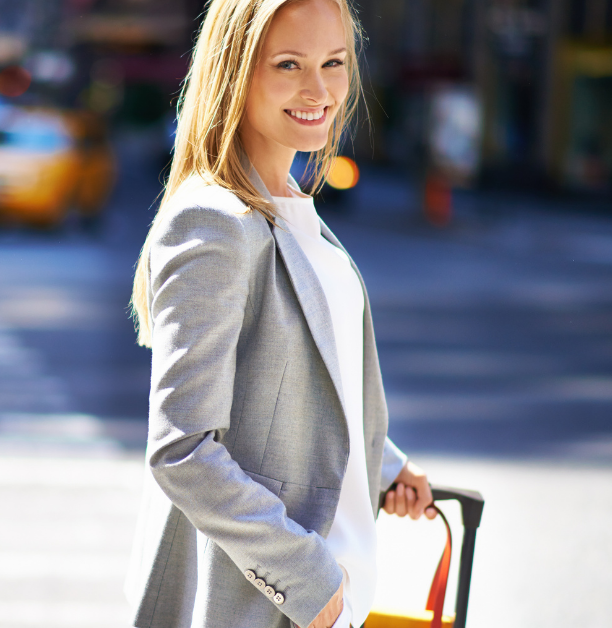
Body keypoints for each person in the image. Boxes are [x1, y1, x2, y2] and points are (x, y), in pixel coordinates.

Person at [124, 2, 437, 628]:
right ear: (236, 71)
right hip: (262, 602)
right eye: (288, 64)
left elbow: (300, 384)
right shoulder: (213, 221)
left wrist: (384, 464)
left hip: (334, 593)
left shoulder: (295, 209)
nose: (317, 90)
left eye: (334, 63)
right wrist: (309, 581)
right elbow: (183, 450)